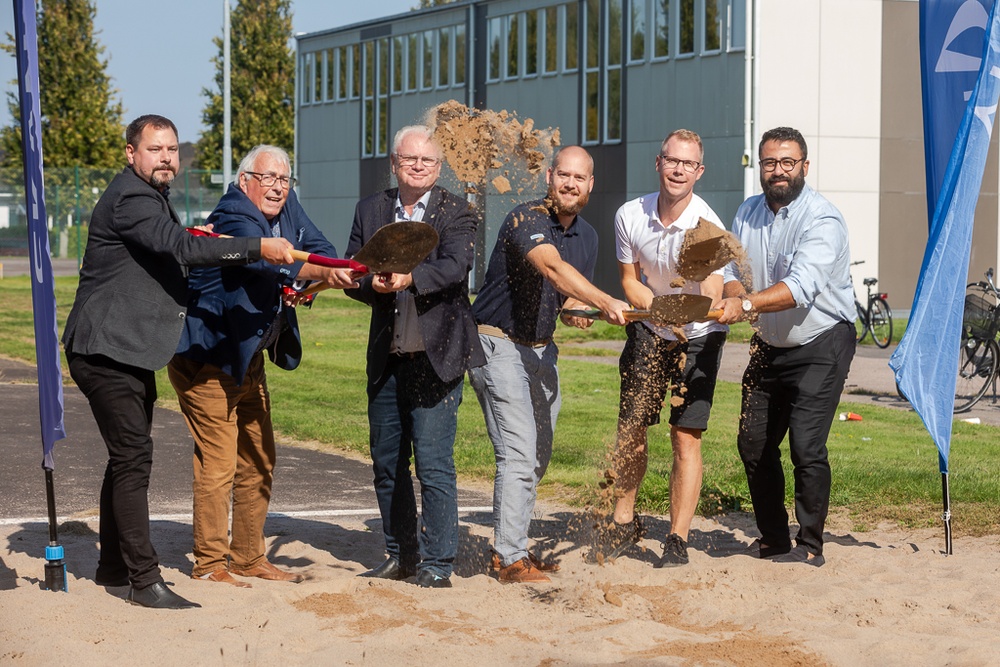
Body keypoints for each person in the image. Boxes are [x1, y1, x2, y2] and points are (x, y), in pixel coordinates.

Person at [62, 115, 294, 609]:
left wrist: (199, 240)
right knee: (133, 458)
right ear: (131, 153)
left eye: (171, 149)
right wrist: (257, 247)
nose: (166, 157)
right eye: (155, 149)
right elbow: (181, 247)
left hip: (127, 349)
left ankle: (112, 566)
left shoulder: (151, 199)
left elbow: (175, 250)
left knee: (125, 457)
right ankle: (145, 581)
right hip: (103, 347)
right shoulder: (132, 197)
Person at [168, 145, 356, 588]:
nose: (278, 187)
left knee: (259, 458)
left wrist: (329, 270)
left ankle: (249, 558)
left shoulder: (286, 203)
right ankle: (211, 564)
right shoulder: (234, 213)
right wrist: (321, 274)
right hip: (209, 357)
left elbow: (321, 248)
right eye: (268, 178)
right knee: (218, 464)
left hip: (247, 358)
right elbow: (267, 265)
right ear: (244, 179)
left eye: (284, 179)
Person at [468, 146, 630, 584]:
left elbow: (566, 297)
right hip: (497, 345)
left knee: (537, 457)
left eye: (580, 178)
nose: (571, 184)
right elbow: (552, 269)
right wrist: (603, 298)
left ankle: (509, 544)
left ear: (590, 185)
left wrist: (580, 309)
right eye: (564, 175)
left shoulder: (589, 237)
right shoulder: (527, 219)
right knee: (518, 454)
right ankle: (508, 558)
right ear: (550, 176)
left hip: (542, 351)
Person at [345, 125, 484, 589]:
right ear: (394, 162)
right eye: (410, 160)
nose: (418, 167)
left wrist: (407, 278)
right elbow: (354, 267)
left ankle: (437, 562)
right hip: (388, 356)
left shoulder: (457, 211)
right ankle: (399, 553)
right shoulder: (371, 209)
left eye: (427, 161)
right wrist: (372, 283)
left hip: (436, 356)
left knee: (432, 462)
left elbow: (455, 268)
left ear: (438, 167)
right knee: (387, 461)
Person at [716, 126, 856, 567]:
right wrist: (738, 293)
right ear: (761, 167)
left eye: (788, 162)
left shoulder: (822, 219)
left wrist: (746, 304)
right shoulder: (746, 212)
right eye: (770, 162)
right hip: (770, 345)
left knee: (806, 445)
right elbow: (732, 270)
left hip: (822, 339)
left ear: (804, 167)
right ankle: (775, 539)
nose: (778, 171)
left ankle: (810, 545)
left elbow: (800, 287)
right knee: (752, 442)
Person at [604, 129, 728, 568]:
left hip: (700, 335)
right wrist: (659, 310)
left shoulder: (707, 226)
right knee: (633, 427)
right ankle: (623, 521)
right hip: (650, 327)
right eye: (671, 161)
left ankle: (677, 537)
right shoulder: (628, 215)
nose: (678, 170)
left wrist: (691, 310)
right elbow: (628, 281)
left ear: (699, 171)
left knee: (685, 436)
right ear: (658, 163)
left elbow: (713, 289)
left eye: (688, 164)